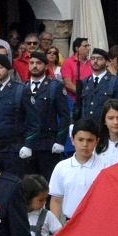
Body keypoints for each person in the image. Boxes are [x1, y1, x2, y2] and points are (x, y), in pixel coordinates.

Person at [0, 53, 38, 178]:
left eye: (0, 67)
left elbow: (34, 121)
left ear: (8, 68)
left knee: (14, 186)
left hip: (14, 149)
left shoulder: (20, 90)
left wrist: (28, 145)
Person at [22, 50, 70, 180]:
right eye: (31, 63)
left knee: (49, 183)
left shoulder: (55, 87)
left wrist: (60, 141)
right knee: (30, 185)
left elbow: (65, 116)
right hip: (28, 144)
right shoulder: (22, 88)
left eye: (38, 63)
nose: (34, 66)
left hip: (48, 144)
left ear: (45, 66)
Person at [75, 48, 118, 124]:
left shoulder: (116, 82)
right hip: (87, 128)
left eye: (99, 59)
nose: (95, 61)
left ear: (107, 62)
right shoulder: (84, 82)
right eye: (93, 58)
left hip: (106, 128)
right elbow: (78, 107)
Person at [62, 38, 93, 103]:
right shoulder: (68, 62)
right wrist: (83, 94)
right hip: (74, 101)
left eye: (88, 45)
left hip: (90, 100)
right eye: (85, 46)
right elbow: (68, 84)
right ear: (77, 49)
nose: (89, 48)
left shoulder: (92, 62)